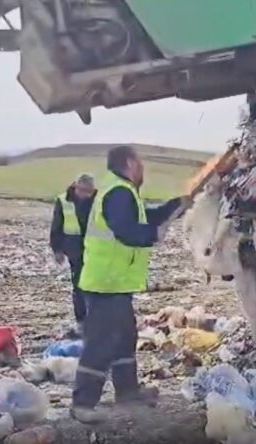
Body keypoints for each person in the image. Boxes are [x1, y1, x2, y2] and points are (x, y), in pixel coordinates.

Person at [71, 146, 187, 424]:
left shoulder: (122, 191)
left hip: (114, 284)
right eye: (141, 163)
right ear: (130, 163)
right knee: (99, 343)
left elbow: (145, 217)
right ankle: (82, 403)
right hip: (105, 283)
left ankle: (127, 391)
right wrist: (154, 234)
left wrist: (176, 206)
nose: (143, 169)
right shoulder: (119, 192)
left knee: (124, 337)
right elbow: (127, 230)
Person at [49, 173, 97, 332]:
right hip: (74, 248)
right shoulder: (64, 201)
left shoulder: (99, 200)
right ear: (76, 187)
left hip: (96, 249)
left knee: (97, 285)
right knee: (79, 285)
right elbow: (57, 225)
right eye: (82, 190)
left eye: (89, 191)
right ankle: (82, 320)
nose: (85, 194)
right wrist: (57, 249)